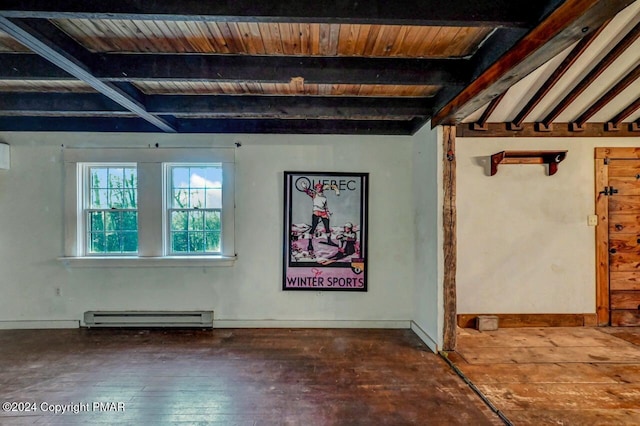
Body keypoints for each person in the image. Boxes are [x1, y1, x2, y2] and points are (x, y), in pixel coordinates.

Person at [304, 182, 339, 252]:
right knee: (313, 228)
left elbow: (325, 207)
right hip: (316, 212)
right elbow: (308, 192)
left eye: (319, 188)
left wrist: (328, 213)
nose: (317, 189)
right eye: (316, 188)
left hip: (323, 213)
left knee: (327, 227)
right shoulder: (314, 195)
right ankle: (310, 244)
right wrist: (305, 188)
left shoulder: (324, 197)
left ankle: (329, 240)